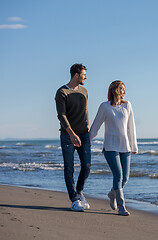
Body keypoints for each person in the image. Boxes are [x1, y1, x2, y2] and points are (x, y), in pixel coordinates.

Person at [90, 80, 138, 216]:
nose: (124, 91)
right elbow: (96, 125)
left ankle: (112, 194)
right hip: (110, 146)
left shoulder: (127, 105)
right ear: (114, 90)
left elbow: (131, 128)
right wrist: (88, 139)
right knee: (118, 175)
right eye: (122, 89)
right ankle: (121, 207)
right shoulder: (104, 106)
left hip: (125, 146)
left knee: (125, 178)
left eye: (124, 89)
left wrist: (134, 146)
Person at [55, 63, 91, 212]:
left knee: (87, 166)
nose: (86, 77)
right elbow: (61, 116)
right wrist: (72, 134)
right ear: (76, 75)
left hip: (84, 134)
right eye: (83, 75)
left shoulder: (84, 91)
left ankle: (79, 191)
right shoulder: (62, 92)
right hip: (68, 135)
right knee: (69, 168)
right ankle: (74, 200)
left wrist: (87, 126)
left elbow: (86, 110)